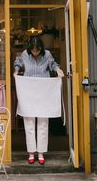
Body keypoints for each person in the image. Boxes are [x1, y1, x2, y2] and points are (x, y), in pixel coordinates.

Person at [13, 35, 64, 165]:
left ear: (41, 48)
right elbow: (18, 62)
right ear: (30, 49)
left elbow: (52, 64)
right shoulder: (25, 54)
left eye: (38, 50)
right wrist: (16, 70)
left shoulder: (47, 54)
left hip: (43, 91)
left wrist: (58, 70)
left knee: (43, 122)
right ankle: (31, 152)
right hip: (29, 91)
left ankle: (41, 152)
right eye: (33, 50)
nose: (35, 52)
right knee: (29, 122)